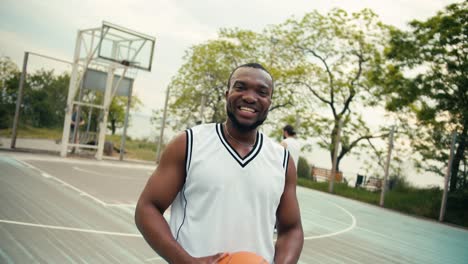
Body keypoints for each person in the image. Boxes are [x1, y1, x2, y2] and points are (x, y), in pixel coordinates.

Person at [135, 63, 303, 264]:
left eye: (261, 92)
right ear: (227, 94)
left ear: (269, 102)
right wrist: (186, 261)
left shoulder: (282, 160)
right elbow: (147, 208)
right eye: (240, 87)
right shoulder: (189, 143)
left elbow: (292, 229)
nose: (250, 97)